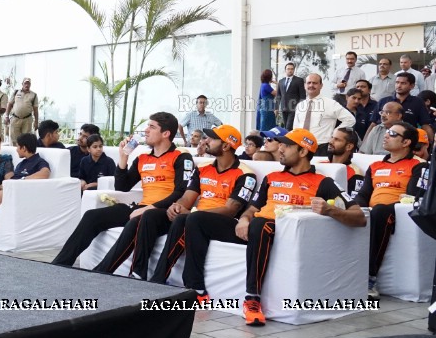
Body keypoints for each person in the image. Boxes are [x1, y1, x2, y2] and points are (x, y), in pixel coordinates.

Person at [184, 129, 365, 326]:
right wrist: (244, 219)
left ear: (303, 151)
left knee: (261, 224)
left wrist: (330, 210)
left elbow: (360, 217)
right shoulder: (271, 178)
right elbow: (252, 209)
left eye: (286, 146)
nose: (280, 149)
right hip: (253, 230)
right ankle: (197, 290)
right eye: (280, 144)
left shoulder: (323, 182)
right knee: (197, 219)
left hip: (280, 234)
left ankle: (252, 299)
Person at [51, 112, 195, 268]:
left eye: (152, 127)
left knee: (140, 218)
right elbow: (122, 187)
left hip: (163, 213)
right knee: (92, 216)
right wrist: (123, 157)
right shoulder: (143, 158)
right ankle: (59, 265)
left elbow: (181, 192)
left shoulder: (181, 157)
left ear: (166, 133)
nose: (146, 130)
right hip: (142, 208)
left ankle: (101, 271)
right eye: (147, 126)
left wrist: (150, 208)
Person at [148, 125, 255, 285]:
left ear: (226, 145)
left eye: (212, 139)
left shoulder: (245, 174)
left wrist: (193, 214)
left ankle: (192, 285)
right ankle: (155, 278)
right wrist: (177, 206)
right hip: (196, 219)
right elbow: (187, 198)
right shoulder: (203, 168)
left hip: (225, 223)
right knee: (157, 215)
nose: (206, 141)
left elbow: (231, 210)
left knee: (192, 219)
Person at [354, 122, 427, 300]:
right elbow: (363, 194)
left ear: (406, 142)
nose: (386, 135)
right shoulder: (376, 165)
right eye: (387, 132)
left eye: (393, 133)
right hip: (373, 211)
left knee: (379, 212)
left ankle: (370, 278)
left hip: (396, 214)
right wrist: (355, 207)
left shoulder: (419, 166)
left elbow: (413, 196)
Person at [292, 73, 355, 155]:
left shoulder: (330, 104)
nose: (311, 85)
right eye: (309, 83)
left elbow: (350, 119)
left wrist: (335, 133)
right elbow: (295, 127)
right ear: (304, 85)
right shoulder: (300, 105)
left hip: (320, 149)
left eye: (315, 83)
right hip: (301, 148)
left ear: (321, 85)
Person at [368, 72, 434, 140]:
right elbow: (373, 124)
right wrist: (364, 144)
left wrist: (430, 145)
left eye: (403, 83)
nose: (399, 85)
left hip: (407, 141)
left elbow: (425, 125)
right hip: (383, 140)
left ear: (412, 86)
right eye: (397, 82)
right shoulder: (384, 101)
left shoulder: (418, 102)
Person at [325, 127, 365, 199]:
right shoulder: (320, 164)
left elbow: (353, 201)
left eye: (337, 139)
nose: (330, 141)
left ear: (349, 146)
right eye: (332, 137)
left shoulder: (355, 173)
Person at [5, 78, 39, 144]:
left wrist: (36, 122)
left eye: (28, 83)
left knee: (26, 139)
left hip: (27, 120)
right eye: (25, 83)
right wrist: (6, 116)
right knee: (14, 139)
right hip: (15, 119)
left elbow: (35, 109)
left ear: (30, 85)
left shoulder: (34, 95)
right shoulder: (16, 92)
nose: (27, 85)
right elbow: (9, 104)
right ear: (22, 84)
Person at [277, 62, 307, 129]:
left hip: (294, 108)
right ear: (285, 70)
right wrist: (276, 108)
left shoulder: (299, 80)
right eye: (288, 69)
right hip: (284, 108)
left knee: (288, 127)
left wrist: (300, 107)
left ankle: (287, 139)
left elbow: (302, 95)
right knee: (286, 127)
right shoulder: (281, 81)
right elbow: (278, 95)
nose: (290, 70)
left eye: (292, 69)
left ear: (294, 70)